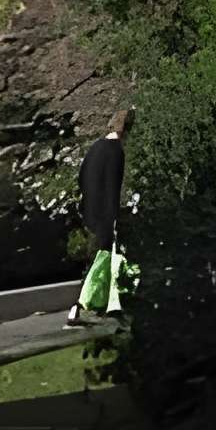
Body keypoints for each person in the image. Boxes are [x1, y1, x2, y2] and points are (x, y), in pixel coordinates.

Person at [65, 108, 134, 325]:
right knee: (103, 261)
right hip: (104, 214)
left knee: (99, 260)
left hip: (90, 211)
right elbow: (113, 188)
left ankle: (106, 305)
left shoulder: (95, 148)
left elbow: (82, 177)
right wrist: (113, 218)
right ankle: (82, 307)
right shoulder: (116, 152)